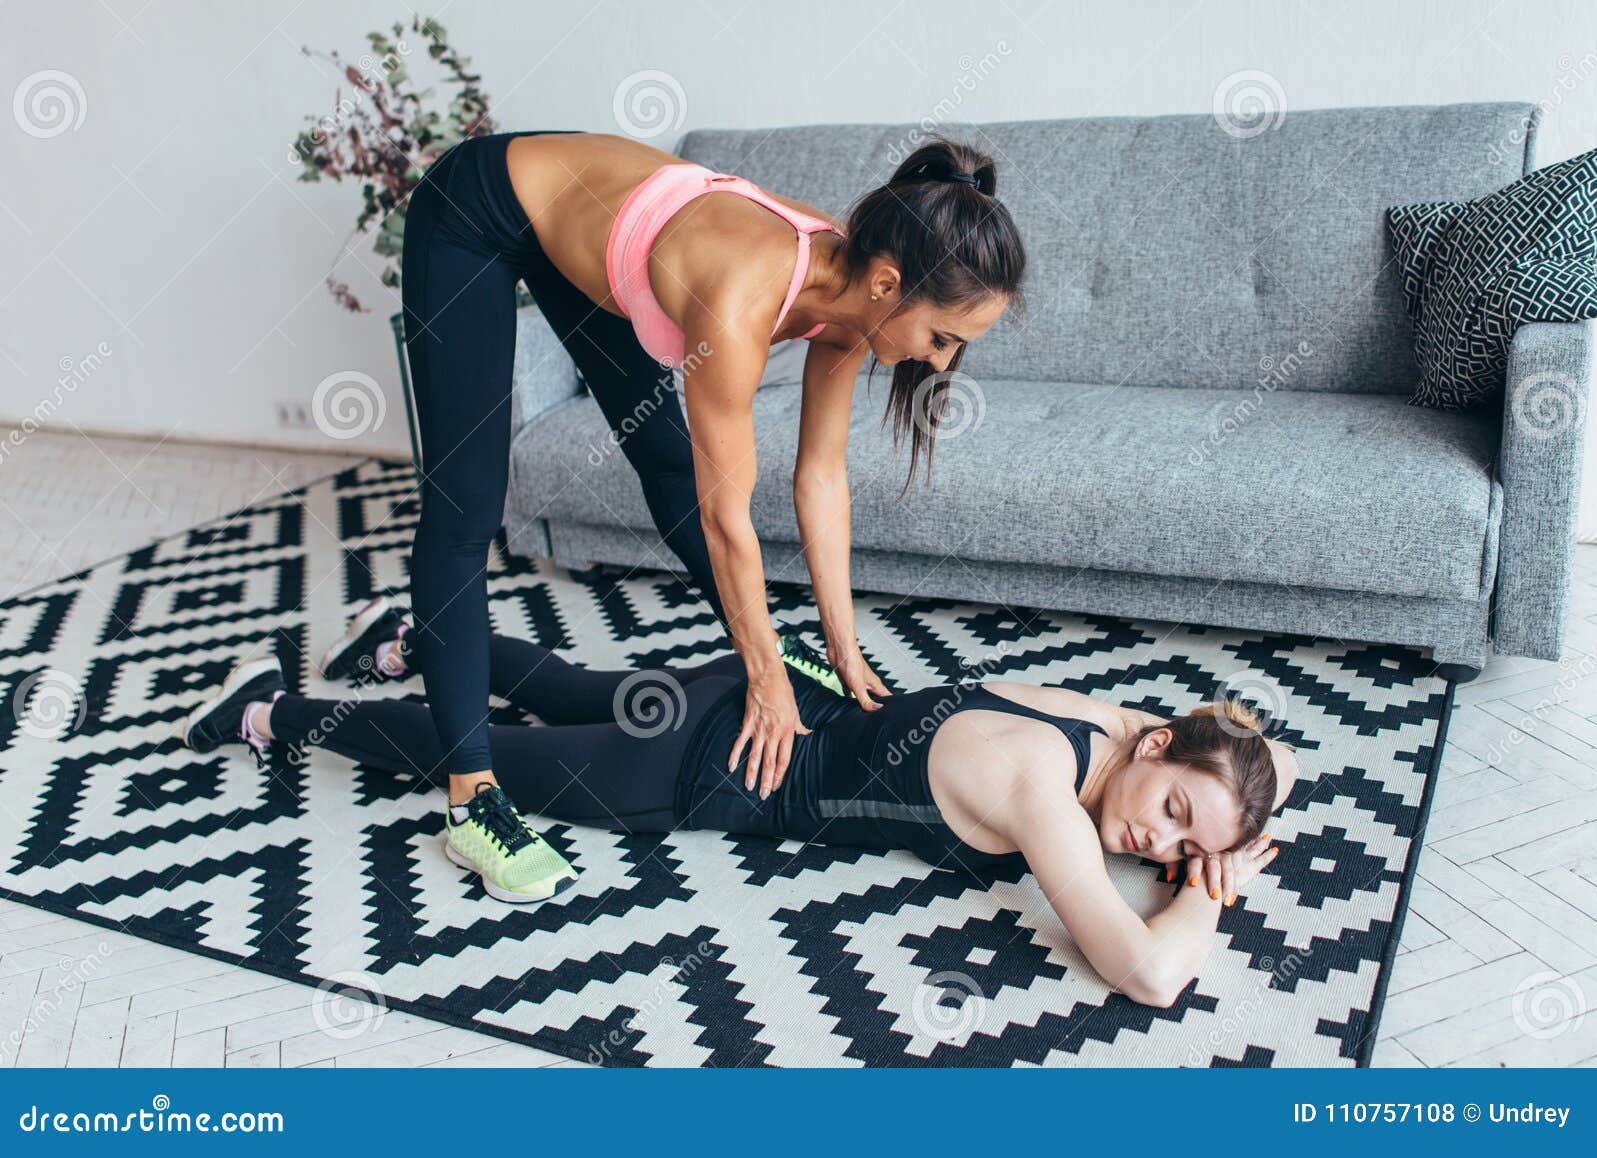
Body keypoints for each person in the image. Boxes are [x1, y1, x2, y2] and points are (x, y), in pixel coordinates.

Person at [399, 127, 1026, 902]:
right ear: (890, 284)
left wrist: (840, 645)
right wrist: (762, 674)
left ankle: (764, 642)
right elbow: (725, 511)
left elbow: (822, 479)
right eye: (942, 338)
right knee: (467, 505)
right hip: (479, 206)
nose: (939, 363)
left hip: (580, 230)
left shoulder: (857, 296)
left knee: (660, 459)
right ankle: (472, 799)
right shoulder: (740, 293)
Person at [174, 597, 1297, 1007]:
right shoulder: (1041, 788)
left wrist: (1226, 813)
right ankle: (275, 714)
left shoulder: (1107, 721)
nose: (1154, 840)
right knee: (489, 757)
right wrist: (1213, 889)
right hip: (711, 772)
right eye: (1171, 812)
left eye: (1182, 841)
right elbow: (1148, 975)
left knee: (574, 689)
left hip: (772, 682)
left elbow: (1270, 761)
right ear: (1157, 745)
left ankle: (411, 639)